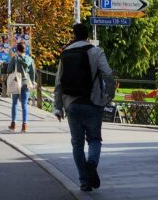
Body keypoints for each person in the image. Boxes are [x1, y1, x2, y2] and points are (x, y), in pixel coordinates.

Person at [53, 23, 116, 192]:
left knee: (77, 144)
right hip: (93, 103)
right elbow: (108, 74)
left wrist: (57, 107)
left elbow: (58, 83)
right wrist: (109, 96)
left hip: (71, 104)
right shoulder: (96, 51)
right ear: (87, 35)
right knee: (95, 139)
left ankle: (84, 181)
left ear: (73, 35)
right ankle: (92, 164)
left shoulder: (65, 53)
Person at [7, 41, 36, 132]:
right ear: (25, 49)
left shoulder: (14, 59)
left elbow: (9, 70)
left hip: (16, 82)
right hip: (25, 83)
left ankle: (13, 124)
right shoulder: (30, 59)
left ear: (17, 49)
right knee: (24, 104)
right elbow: (32, 72)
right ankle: (24, 125)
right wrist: (32, 81)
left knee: (14, 103)